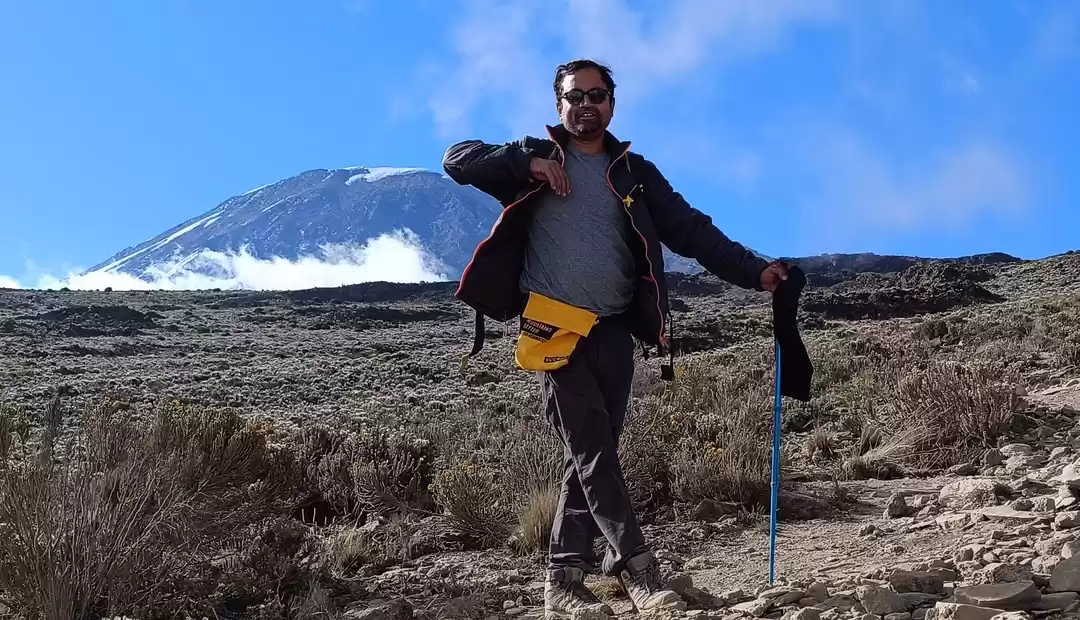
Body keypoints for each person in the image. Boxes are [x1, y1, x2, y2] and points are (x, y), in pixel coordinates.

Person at [442, 59, 789, 617]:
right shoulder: (536, 156)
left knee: (590, 452)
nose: (586, 105)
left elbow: (692, 230)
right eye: (574, 96)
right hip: (552, 328)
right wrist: (525, 161)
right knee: (594, 451)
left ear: (612, 104)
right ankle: (638, 569)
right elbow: (456, 159)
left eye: (596, 95)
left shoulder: (635, 173)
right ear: (559, 106)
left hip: (613, 331)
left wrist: (755, 272)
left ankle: (562, 581)